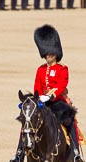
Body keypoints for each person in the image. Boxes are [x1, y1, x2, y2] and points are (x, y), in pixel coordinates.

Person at [34, 24, 84, 162]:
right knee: (28, 120)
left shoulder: (62, 69)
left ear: (55, 53)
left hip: (57, 102)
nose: (47, 56)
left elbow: (62, 85)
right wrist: (38, 98)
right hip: (43, 103)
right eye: (45, 53)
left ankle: (75, 152)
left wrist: (50, 95)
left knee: (70, 120)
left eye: (49, 53)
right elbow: (37, 86)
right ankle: (20, 152)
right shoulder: (40, 69)